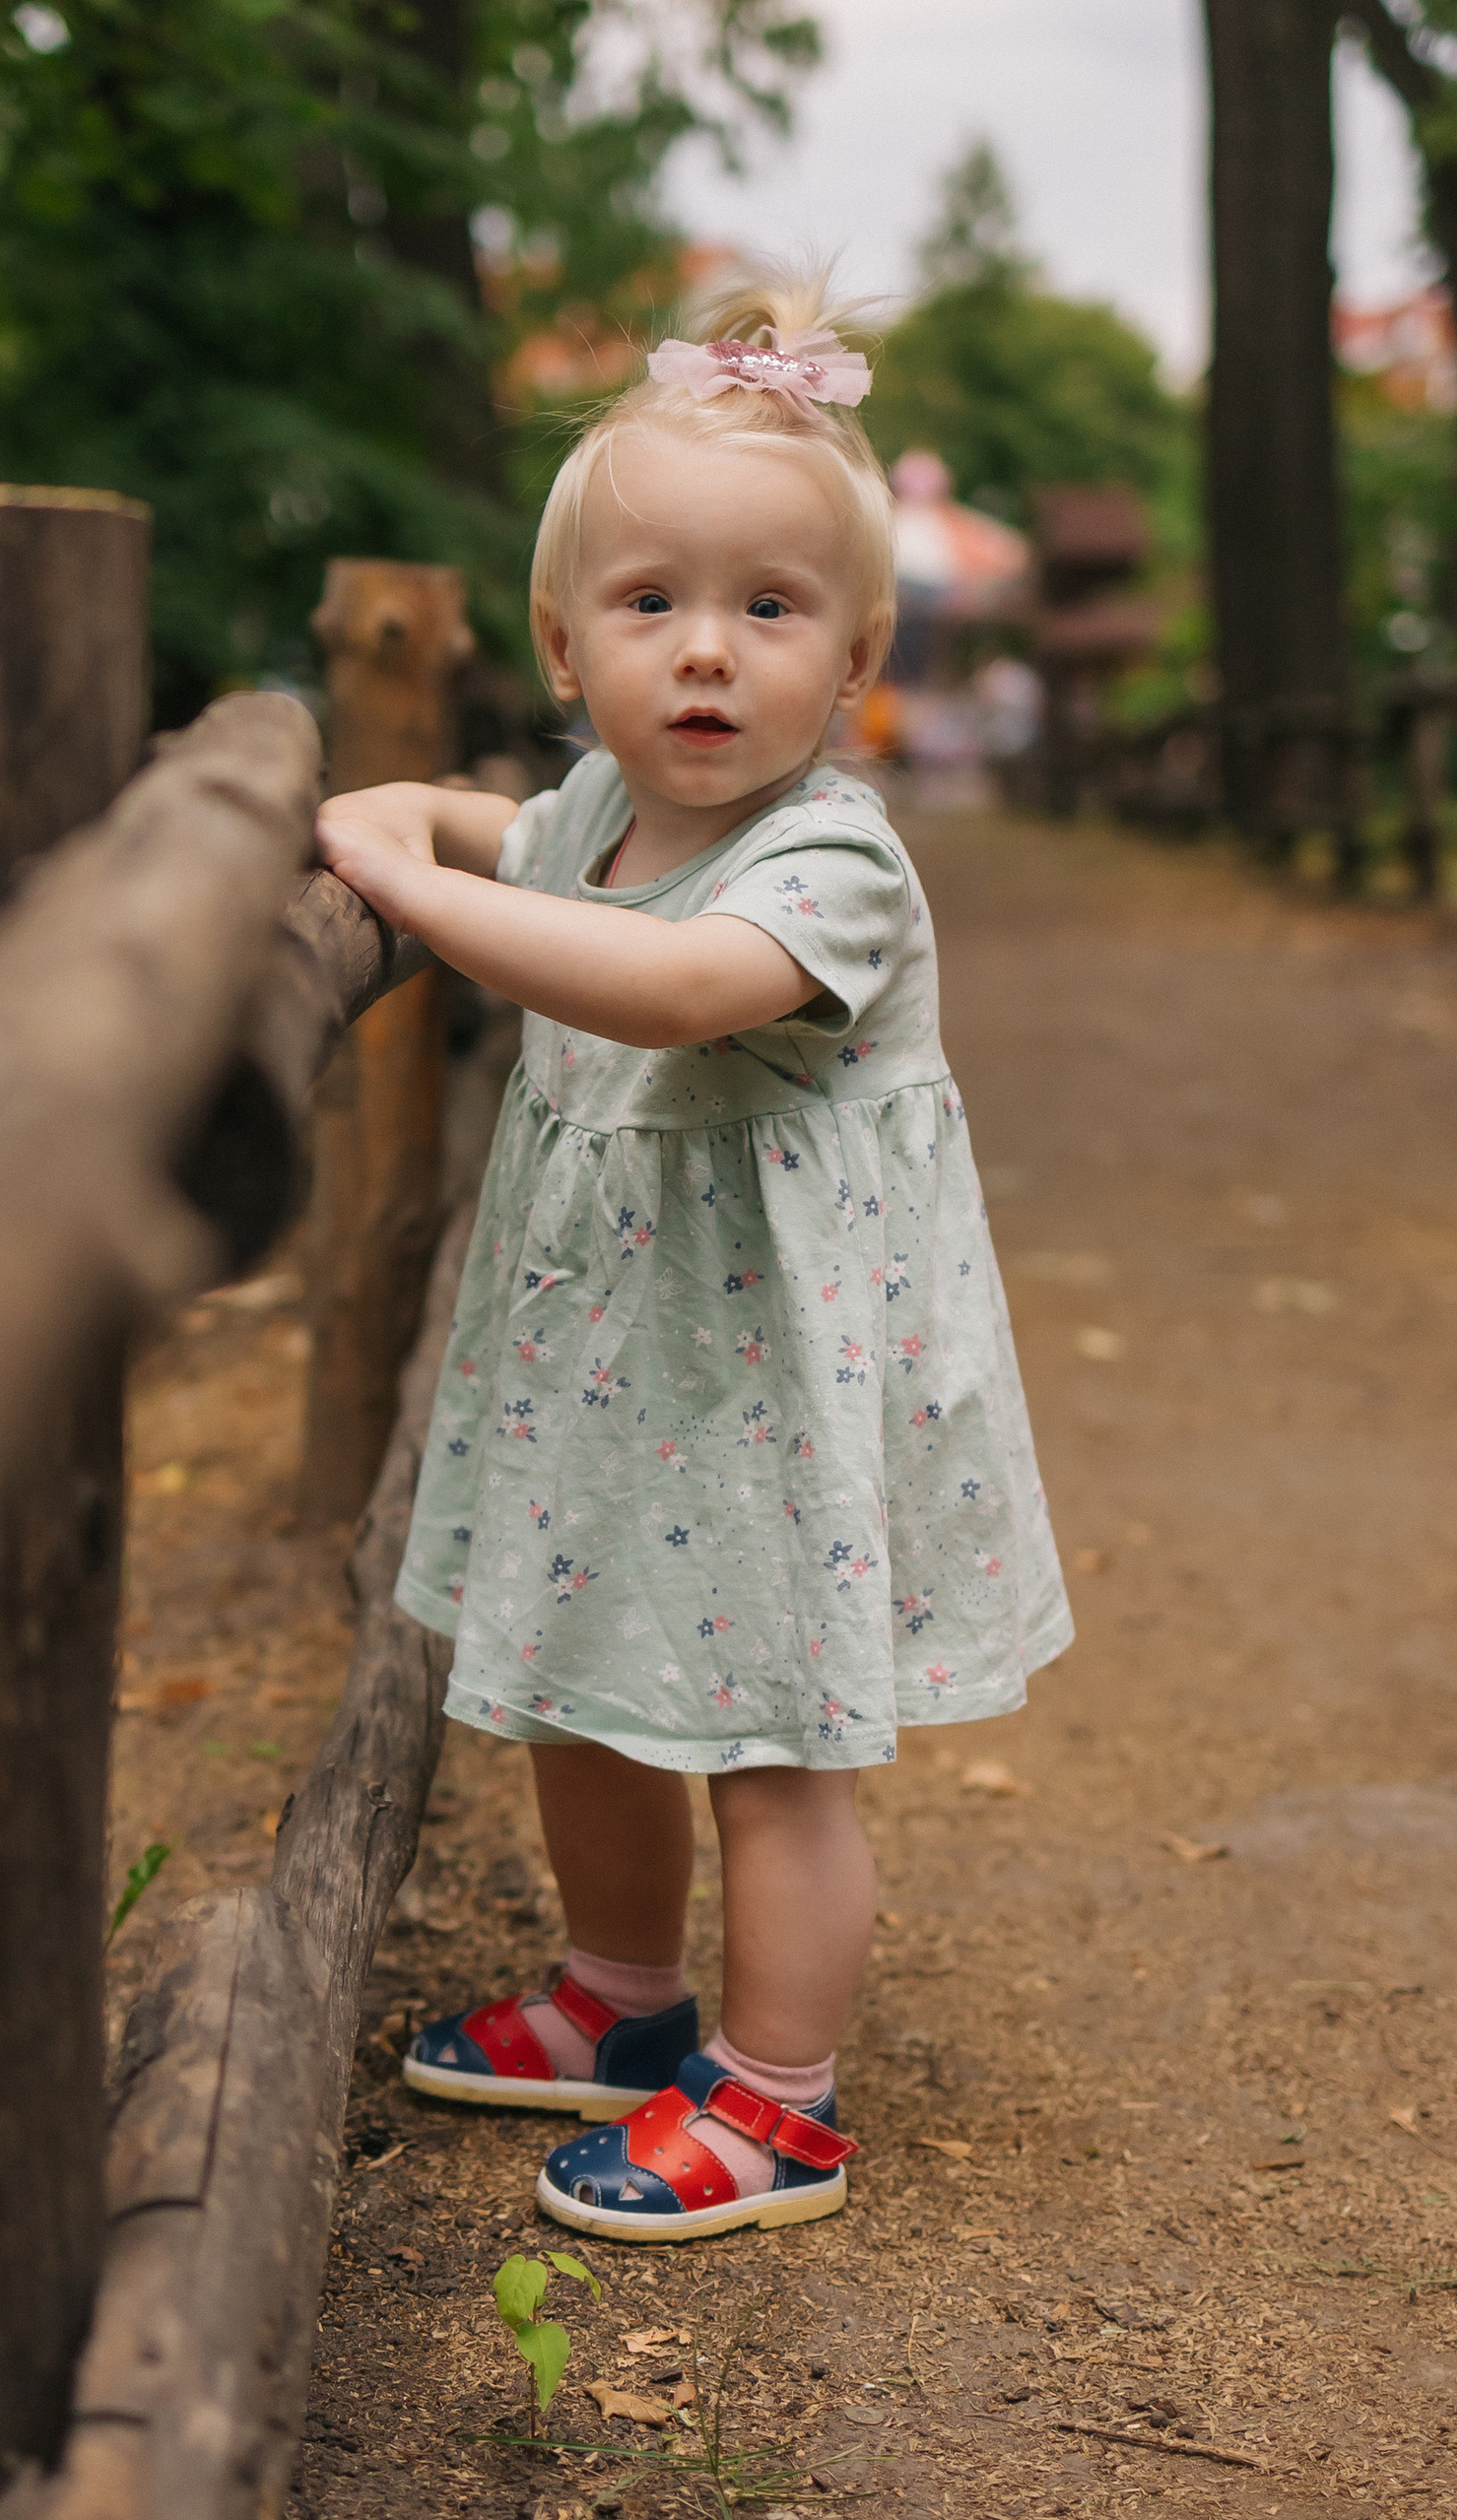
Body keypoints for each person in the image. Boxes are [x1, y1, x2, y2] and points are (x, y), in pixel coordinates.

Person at [313, 268, 1070, 2243]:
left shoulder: (831, 866)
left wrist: (412, 881)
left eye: (770, 609)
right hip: (618, 1380)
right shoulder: (594, 811)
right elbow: (537, 849)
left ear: (857, 656)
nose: (708, 655)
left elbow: (659, 990)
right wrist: (422, 815)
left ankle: (778, 2097)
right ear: (567, 650)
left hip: (761, 1407)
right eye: (652, 605)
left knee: (763, 1737)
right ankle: (624, 1999)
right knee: (585, 1688)